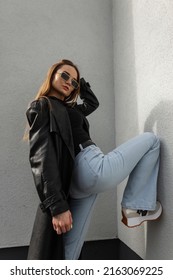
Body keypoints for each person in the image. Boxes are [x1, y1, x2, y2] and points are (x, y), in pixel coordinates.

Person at [25, 59, 162, 260]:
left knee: (71, 248)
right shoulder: (43, 106)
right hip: (88, 165)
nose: (68, 82)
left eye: (73, 81)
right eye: (64, 75)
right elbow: (42, 158)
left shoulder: (68, 109)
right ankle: (135, 206)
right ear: (52, 74)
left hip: (78, 182)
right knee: (151, 141)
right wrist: (57, 206)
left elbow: (92, 103)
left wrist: (81, 85)